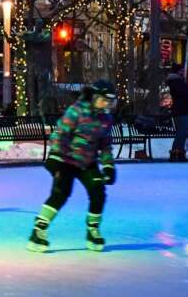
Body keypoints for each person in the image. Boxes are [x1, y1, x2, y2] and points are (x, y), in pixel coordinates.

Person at [28, 80, 117, 253]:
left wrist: (108, 166)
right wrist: (55, 156)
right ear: (93, 96)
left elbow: (105, 145)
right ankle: (39, 230)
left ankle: (93, 230)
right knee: (60, 193)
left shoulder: (106, 119)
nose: (105, 104)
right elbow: (60, 134)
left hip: (87, 162)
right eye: (102, 99)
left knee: (97, 191)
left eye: (109, 101)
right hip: (66, 160)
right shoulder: (77, 111)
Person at [167, 64, 188, 162]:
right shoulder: (176, 81)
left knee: (182, 134)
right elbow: (184, 92)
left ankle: (178, 153)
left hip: (183, 111)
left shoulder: (177, 81)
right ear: (177, 72)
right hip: (182, 111)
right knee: (181, 134)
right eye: (181, 70)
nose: (183, 72)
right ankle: (176, 154)